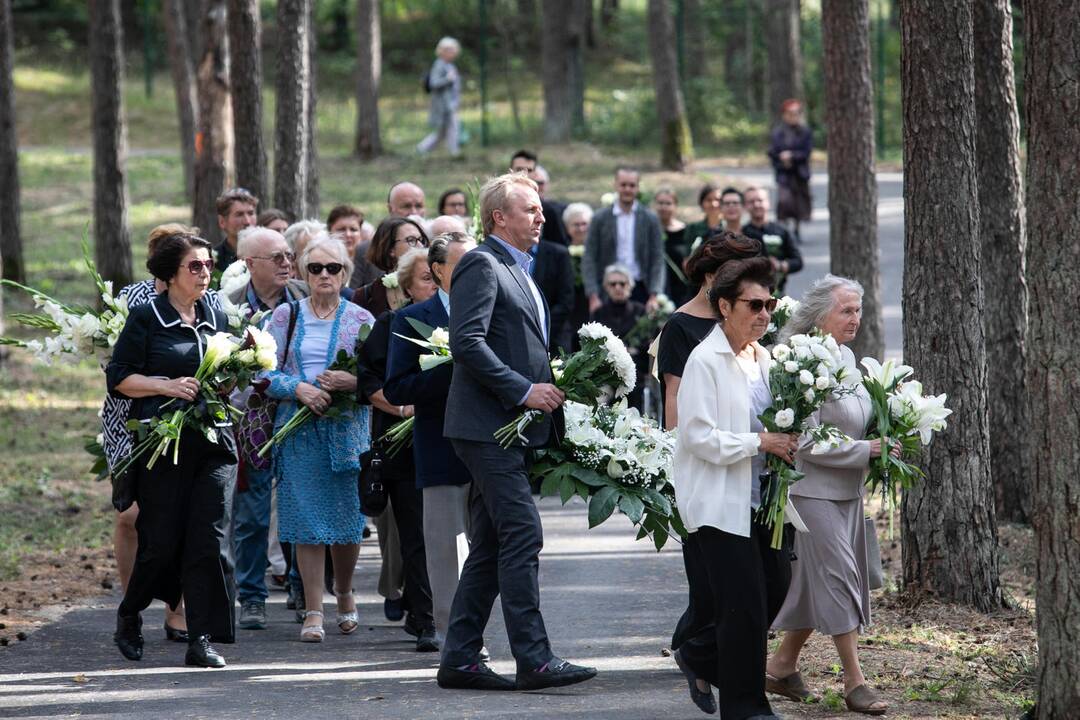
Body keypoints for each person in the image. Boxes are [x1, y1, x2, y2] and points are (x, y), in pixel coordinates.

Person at [437, 172, 596, 691]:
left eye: (540, 208)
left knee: (490, 545)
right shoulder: (482, 263)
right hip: (488, 427)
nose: (541, 217)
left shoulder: (519, 267)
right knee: (523, 533)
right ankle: (534, 658)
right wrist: (522, 390)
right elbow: (467, 343)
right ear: (497, 217)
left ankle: (460, 658)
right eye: (530, 209)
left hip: (507, 428)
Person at [670, 256, 799, 718]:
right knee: (743, 605)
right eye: (754, 304)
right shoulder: (705, 359)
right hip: (718, 502)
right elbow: (696, 436)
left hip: (761, 499)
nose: (764, 314)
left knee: (775, 591)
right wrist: (760, 441)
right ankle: (746, 707)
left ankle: (699, 654)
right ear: (724, 305)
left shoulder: (763, 357)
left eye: (770, 304)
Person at [107, 231, 235, 668]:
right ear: (169, 274)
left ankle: (201, 637)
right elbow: (120, 377)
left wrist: (234, 375)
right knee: (160, 542)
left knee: (207, 538)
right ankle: (130, 612)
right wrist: (166, 386)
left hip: (212, 441)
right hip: (164, 443)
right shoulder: (146, 317)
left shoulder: (215, 314)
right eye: (194, 266)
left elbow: (222, 373)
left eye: (208, 266)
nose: (204, 273)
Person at [766, 275, 891, 716]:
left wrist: (889, 435)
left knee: (811, 587)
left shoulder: (850, 357)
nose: (855, 319)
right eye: (846, 311)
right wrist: (865, 450)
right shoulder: (796, 362)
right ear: (820, 317)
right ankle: (855, 683)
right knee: (840, 578)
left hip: (849, 491)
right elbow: (806, 440)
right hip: (812, 492)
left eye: (858, 310)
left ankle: (781, 667)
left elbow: (859, 417)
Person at [261, 234, 374, 643]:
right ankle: (313, 608)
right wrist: (298, 389)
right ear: (305, 273)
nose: (324, 275)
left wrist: (351, 381)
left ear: (345, 273)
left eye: (333, 268)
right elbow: (261, 373)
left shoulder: (363, 321)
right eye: (315, 268)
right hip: (298, 432)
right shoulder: (282, 318)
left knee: (347, 523)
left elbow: (380, 380)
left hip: (346, 433)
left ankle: (343, 591)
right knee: (306, 523)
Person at [384, 231, 477, 646]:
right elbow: (397, 389)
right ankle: (453, 636)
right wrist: (454, 367)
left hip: (494, 446)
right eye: (462, 265)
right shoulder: (410, 320)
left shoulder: (496, 311)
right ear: (437, 271)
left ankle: (483, 628)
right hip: (440, 446)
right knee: (446, 550)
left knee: (493, 546)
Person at [356, 247, 440, 652]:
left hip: (448, 442)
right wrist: (405, 408)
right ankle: (425, 619)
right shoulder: (391, 324)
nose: (435, 283)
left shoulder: (462, 320)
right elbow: (368, 382)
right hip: (402, 443)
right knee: (415, 533)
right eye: (426, 277)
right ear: (406, 286)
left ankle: (446, 611)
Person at [228, 227, 309, 631]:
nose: (285, 263)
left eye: (287, 255)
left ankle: (300, 586)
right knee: (253, 512)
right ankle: (252, 597)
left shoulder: (305, 298)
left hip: (298, 412)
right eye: (275, 257)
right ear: (249, 265)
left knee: (297, 504)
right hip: (251, 419)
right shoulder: (228, 307)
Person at [583, 167, 665, 313]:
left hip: (641, 288)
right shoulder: (600, 218)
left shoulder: (650, 219)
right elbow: (589, 257)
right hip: (608, 288)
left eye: (632, 185)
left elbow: (657, 258)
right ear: (616, 185)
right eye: (623, 185)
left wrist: (654, 294)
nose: (627, 189)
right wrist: (593, 295)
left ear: (638, 188)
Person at [589, 264, 647, 410]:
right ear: (606, 287)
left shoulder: (640, 312)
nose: (618, 287)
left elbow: (646, 343)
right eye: (612, 284)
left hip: (635, 372)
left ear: (630, 285)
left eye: (622, 283)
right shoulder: (598, 313)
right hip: (606, 373)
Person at [351, 217, 430, 313]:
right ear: (390, 249)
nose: (420, 246)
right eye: (411, 240)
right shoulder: (366, 295)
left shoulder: (435, 287)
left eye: (421, 240)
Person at [742, 187, 803, 294]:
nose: (756, 204)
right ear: (745, 206)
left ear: (768, 203)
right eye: (751, 201)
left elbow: (798, 261)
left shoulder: (782, 231)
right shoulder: (741, 233)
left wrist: (779, 265)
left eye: (760, 200)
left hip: (778, 294)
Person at [768, 99, 813, 241]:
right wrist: (781, 159)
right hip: (784, 173)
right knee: (784, 202)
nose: (793, 116)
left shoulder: (805, 131)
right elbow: (772, 151)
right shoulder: (778, 132)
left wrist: (792, 156)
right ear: (784, 115)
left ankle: (797, 229)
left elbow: (807, 152)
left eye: (795, 113)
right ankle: (785, 231)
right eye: (790, 113)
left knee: (799, 203)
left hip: (799, 173)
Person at [510, 150, 569, 245]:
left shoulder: (549, 211)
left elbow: (559, 249)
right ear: (510, 171)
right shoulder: (496, 203)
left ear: (535, 173)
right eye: (519, 169)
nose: (524, 174)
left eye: (529, 170)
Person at [417, 37, 462, 157]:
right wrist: (448, 79)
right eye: (450, 50)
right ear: (443, 51)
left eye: (454, 50)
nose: (453, 53)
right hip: (443, 104)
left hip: (450, 103)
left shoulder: (449, 65)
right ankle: (454, 153)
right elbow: (434, 83)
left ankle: (422, 148)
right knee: (453, 127)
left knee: (443, 132)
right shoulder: (439, 65)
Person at [531, 234, 575, 354]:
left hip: (554, 339)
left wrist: (538, 329)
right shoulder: (507, 255)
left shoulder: (559, 254)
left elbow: (566, 301)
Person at [562, 202, 593, 350]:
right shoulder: (560, 253)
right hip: (570, 312)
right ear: (567, 227)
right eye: (576, 224)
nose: (581, 228)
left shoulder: (598, 253)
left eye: (584, 224)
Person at [654, 187, 690, 305]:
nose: (664, 207)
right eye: (660, 203)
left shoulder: (686, 232)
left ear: (675, 206)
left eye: (668, 203)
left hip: (681, 289)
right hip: (655, 289)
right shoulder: (650, 232)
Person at [213, 188, 259, 272]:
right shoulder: (213, 260)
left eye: (251, 213)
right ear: (222, 221)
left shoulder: (268, 255)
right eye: (239, 215)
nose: (247, 221)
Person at [684, 184, 723, 254]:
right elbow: (687, 258)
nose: (714, 204)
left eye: (717, 199)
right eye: (709, 200)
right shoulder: (693, 228)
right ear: (701, 203)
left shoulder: (729, 228)